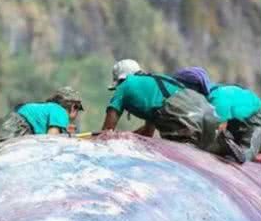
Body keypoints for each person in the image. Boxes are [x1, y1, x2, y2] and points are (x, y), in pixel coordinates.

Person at [101, 59, 242, 160]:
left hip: (177, 110)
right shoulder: (154, 83)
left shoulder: (124, 86)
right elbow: (147, 132)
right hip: (200, 104)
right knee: (201, 138)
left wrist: (109, 138)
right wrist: (128, 136)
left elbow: (107, 131)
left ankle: (214, 143)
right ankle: (220, 140)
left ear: (120, 79)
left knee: (180, 141)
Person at [174, 67, 261, 162]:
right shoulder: (209, 95)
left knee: (242, 156)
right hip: (236, 123)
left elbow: (218, 131)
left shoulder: (218, 99)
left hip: (257, 122)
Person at [0, 86, 84, 152]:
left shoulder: (46, 108)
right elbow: (51, 141)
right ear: (74, 107)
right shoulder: (61, 112)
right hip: (15, 130)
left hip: (6, 125)